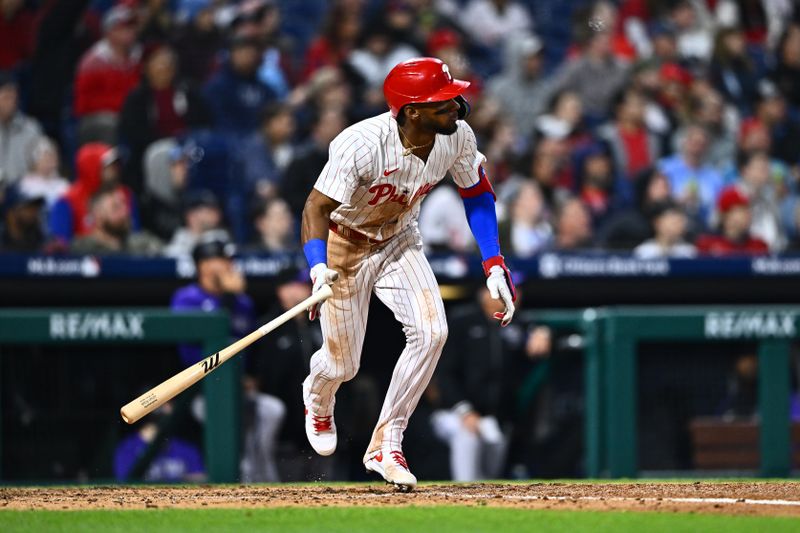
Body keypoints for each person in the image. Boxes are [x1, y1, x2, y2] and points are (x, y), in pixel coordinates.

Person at [299, 57, 516, 491]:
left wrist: (493, 263)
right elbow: (315, 208)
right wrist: (317, 266)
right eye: (443, 101)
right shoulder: (360, 144)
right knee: (344, 364)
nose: (456, 105)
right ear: (412, 110)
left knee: (433, 332)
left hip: (400, 237)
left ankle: (386, 442)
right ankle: (318, 396)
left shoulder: (457, 138)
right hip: (345, 241)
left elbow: (477, 195)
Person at [171, 231, 286, 482]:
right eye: (221, 259)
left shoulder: (243, 302)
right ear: (203, 264)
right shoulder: (187, 298)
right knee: (228, 418)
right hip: (199, 388)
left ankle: (264, 480)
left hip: (237, 386)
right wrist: (230, 299)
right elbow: (204, 340)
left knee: (271, 410)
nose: (228, 265)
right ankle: (232, 479)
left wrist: (251, 377)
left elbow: (251, 347)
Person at [73, 5, 142, 145]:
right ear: (109, 31)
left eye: (131, 27)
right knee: (110, 123)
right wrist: (123, 106)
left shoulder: (139, 57)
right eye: (123, 28)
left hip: (129, 114)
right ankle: (109, 165)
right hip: (96, 118)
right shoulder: (93, 61)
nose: (130, 32)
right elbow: (82, 105)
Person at [114, 402, 206, 483]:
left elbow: (199, 480)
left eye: (168, 403)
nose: (167, 407)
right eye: (162, 403)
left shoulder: (185, 448)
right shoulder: (127, 448)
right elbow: (125, 486)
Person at [70, 187, 163, 256]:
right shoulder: (81, 249)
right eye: (116, 208)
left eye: (124, 206)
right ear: (98, 216)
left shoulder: (143, 245)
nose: (125, 212)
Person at [695, 186, 769, 256]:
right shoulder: (707, 245)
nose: (748, 215)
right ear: (725, 215)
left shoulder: (758, 246)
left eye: (748, 210)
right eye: (741, 210)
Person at [0, 72, 42, 191]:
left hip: (22, 192)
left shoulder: (31, 128)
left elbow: (40, 162)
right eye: (6, 97)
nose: (11, 102)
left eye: (14, 97)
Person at [18, 137, 69, 208]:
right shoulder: (25, 186)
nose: (51, 161)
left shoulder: (63, 185)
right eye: (46, 157)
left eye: (53, 156)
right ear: (35, 162)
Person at [0, 185, 46, 252]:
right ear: (11, 212)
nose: (34, 213)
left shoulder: (38, 237)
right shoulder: (2, 237)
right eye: (28, 208)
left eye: (35, 209)